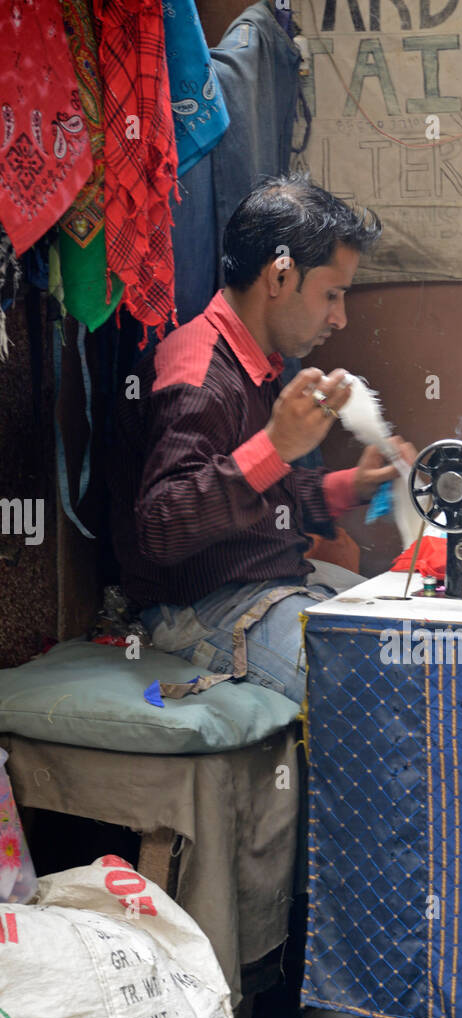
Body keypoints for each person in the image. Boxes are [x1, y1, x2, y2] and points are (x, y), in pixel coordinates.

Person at [110, 174, 414, 702]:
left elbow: (257, 498)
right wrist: (274, 446)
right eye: (332, 294)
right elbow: (161, 527)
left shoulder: (251, 363)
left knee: (417, 637)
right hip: (199, 609)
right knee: (381, 689)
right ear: (279, 276)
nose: (340, 319)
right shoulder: (198, 371)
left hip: (267, 586)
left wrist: (354, 485)